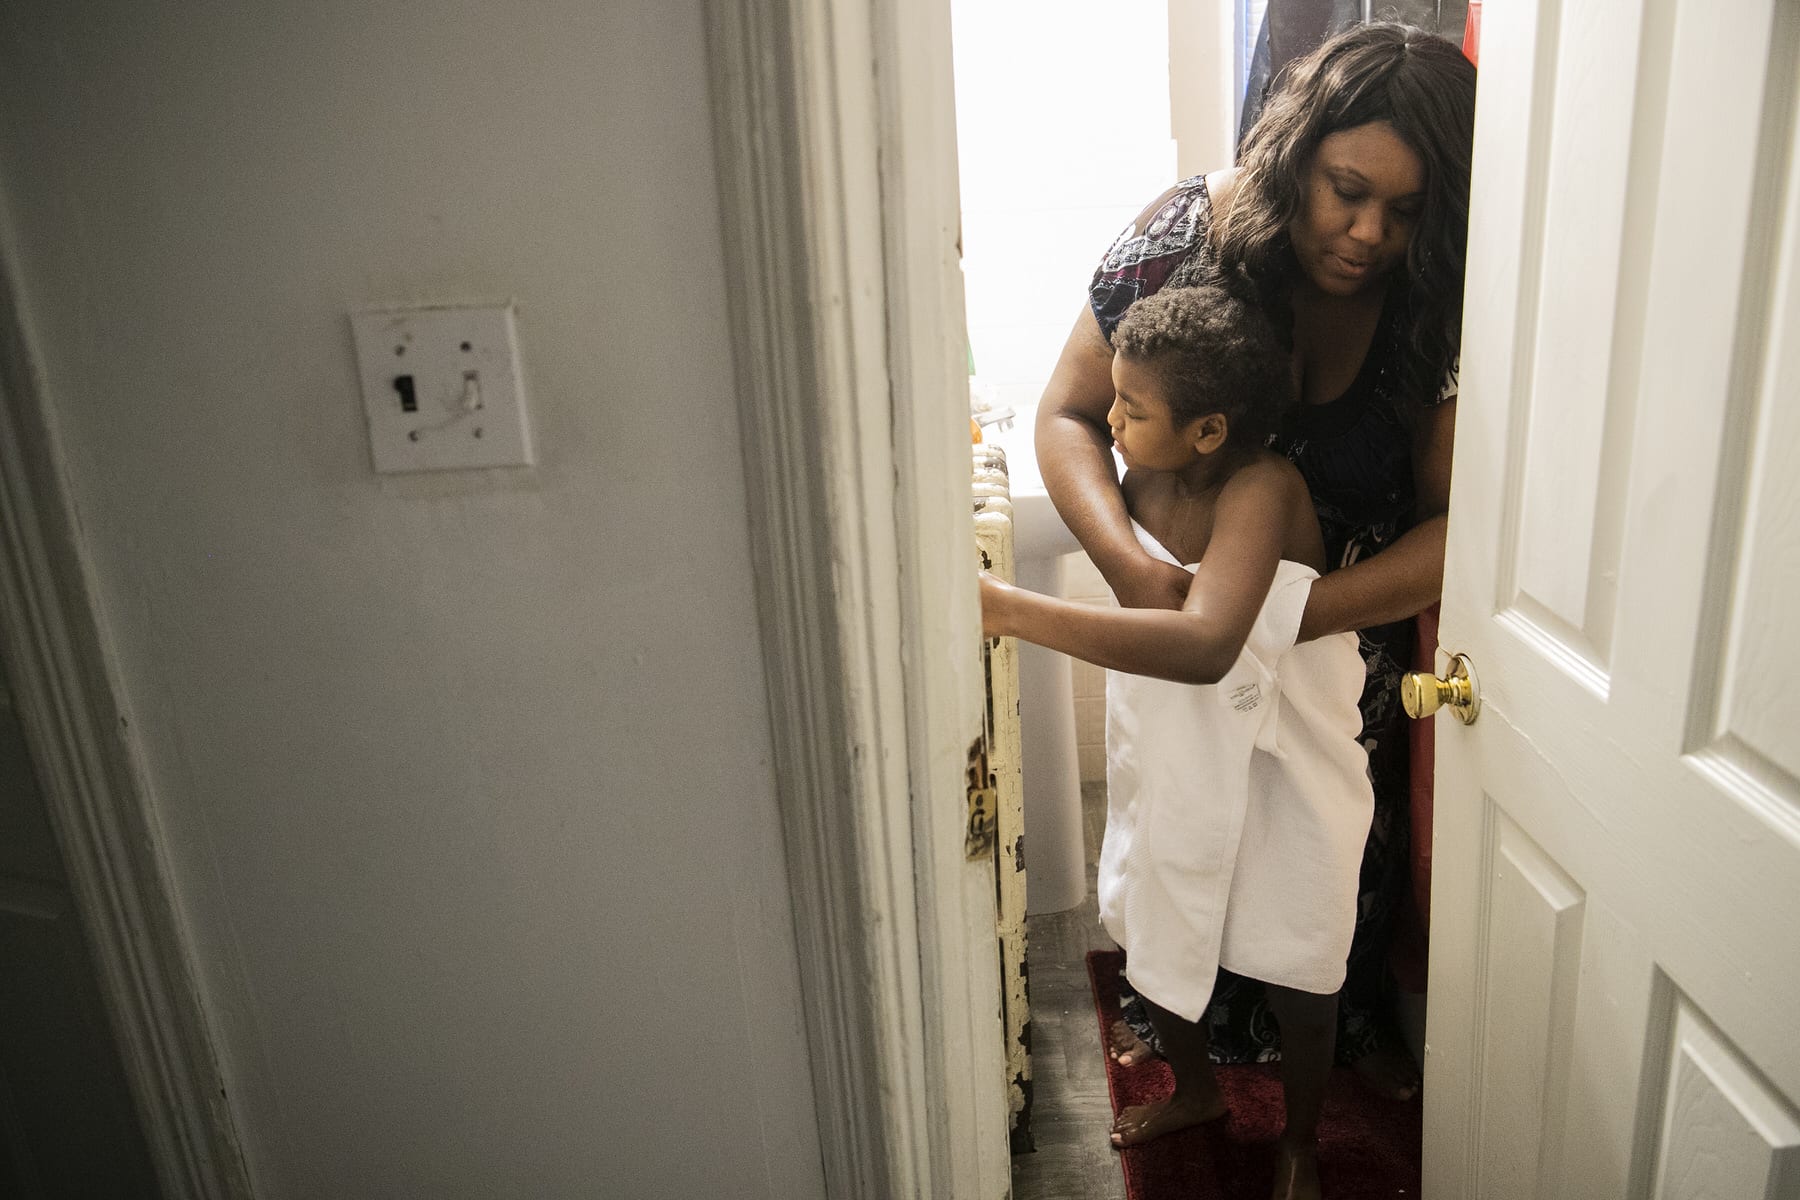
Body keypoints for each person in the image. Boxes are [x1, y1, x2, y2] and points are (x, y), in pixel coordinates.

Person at [1034, 21, 1476, 1101]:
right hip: (1173, 599)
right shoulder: (1184, 233)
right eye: (1345, 190)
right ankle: (1186, 1052)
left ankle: (1328, 1066)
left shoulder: (1443, 303)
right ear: (1295, 156)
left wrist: (1288, 614)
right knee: (1178, 850)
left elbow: (1460, 527)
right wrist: (1134, 571)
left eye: (1405, 209)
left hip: (1339, 652)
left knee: (1320, 881)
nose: (1369, 231)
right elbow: (1069, 414)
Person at [980, 283, 1372, 1200]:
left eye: (1131, 407)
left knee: (1301, 956)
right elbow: (1146, 599)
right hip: (1170, 732)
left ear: (1208, 430)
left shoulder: (1263, 488)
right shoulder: (1142, 473)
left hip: (1287, 752)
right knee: (1155, 906)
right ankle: (1196, 1089)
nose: (1107, 418)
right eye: (1114, 396)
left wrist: (1009, 610)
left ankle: (1301, 1141)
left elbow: (1204, 645)